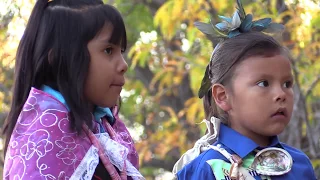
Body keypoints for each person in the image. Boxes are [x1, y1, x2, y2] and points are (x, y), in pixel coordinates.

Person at [172, 0, 317, 179]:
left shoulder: (299, 165)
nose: (281, 94)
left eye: (287, 84)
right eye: (264, 83)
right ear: (223, 96)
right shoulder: (207, 168)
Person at [2, 0, 144, 179]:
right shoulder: (44, 142)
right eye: (108, 50)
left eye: (121, 51)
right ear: (60, 59)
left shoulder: (105, 130)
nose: (123, 65)